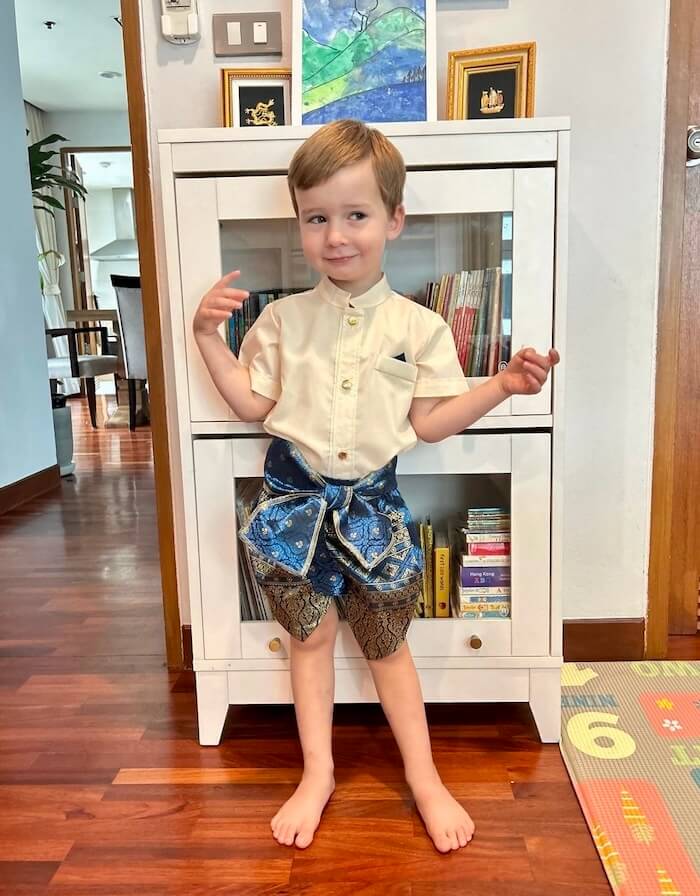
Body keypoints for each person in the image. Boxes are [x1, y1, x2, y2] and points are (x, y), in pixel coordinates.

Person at [192, 119, 560, 853]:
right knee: (310, 639)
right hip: (290, 508)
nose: (336, 235)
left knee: (388, 646)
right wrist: (206, 338)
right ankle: (318, 771)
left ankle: (424, 777)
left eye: (355, 215)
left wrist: (502, 386)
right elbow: (254, 407)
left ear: (394, 219)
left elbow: (430, 422)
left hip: (373, 511)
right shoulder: (278, 320)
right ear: (298, 222)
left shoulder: (419, 328)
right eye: (316, 217)